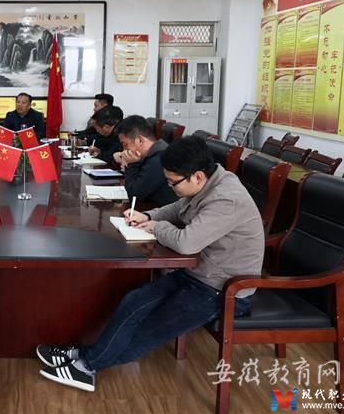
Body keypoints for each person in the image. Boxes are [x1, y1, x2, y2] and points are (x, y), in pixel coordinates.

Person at [36, 136, 263, 392]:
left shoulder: (226, 199)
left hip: (224, 289)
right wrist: (146, 215)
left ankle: (87, 366)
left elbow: (187, 243)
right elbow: (178, 208)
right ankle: (86, 356)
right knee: (133, 302)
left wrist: (156, 226)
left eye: (172, 182)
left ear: (197, 176)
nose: (170, 186)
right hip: (199, 275)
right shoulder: (208, 182)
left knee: (148, 330)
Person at [115, 115, 177, 206]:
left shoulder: (158, 159)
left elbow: (133, 195)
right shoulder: (155, 152)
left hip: (162, 210)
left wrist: (132, 165)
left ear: (140, 140)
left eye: (125, 145)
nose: (124, 150)